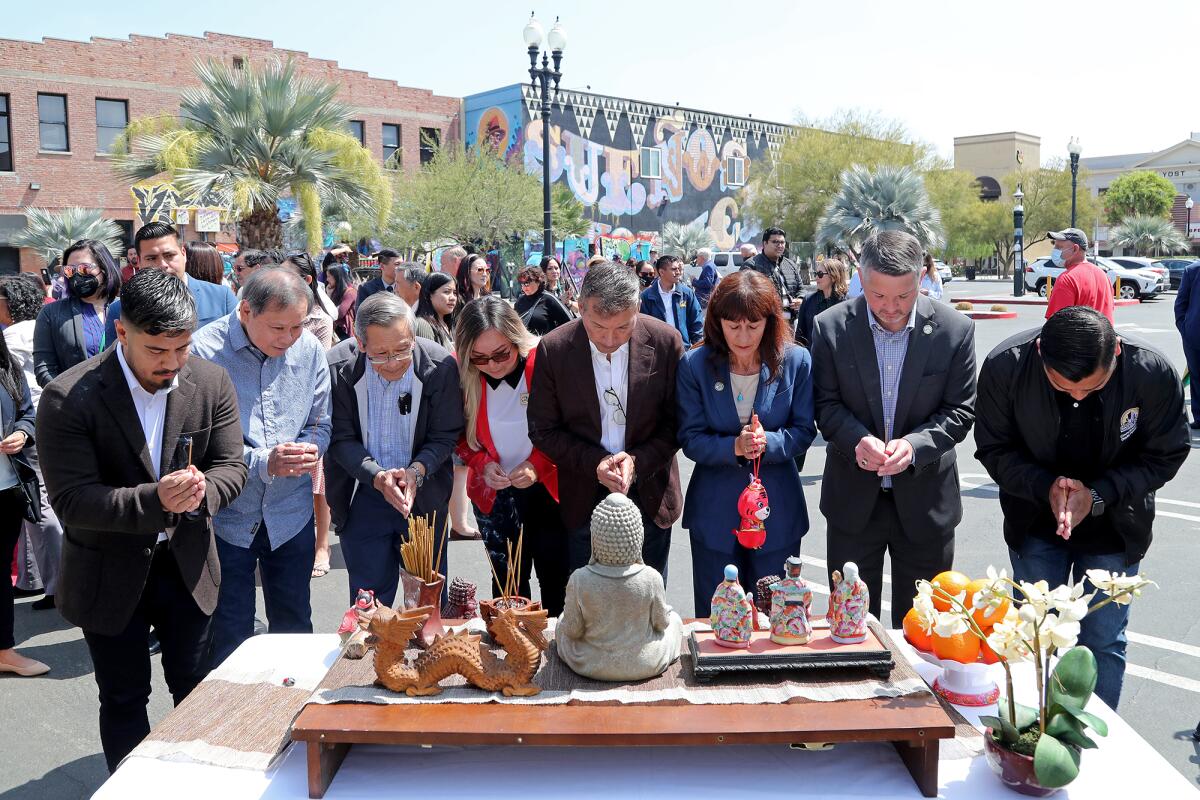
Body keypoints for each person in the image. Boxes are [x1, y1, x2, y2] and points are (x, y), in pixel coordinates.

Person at [36, 269, 246, 770]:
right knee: (125, 699)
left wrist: (200, 494)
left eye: (182, 348)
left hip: (189, 568)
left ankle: (197, 783)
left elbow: (231, 466)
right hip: (106, 575)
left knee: (196, 695)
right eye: (157, 351)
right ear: (122, 332)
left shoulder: (210, 380)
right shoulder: (69, 396)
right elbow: (72, 501)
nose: (172, 363)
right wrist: (157, 501)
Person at [974, 306, 1189, 709]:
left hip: (1117, 525)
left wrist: (1100, 494)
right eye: (1062, 387)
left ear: (1117, 354)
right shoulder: (1006, 366)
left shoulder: (1152, 372)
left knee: (1102, 640)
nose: (1077, 395)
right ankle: (1031, 730)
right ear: (1040, 353)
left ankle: (1099, 740)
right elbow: (994, 448)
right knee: (1035, 633)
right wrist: (1044, 487)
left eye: (1091, 388)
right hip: (1035, 521)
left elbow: (1166, 453)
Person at [810, 230, 977, 627]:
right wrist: (857, 439)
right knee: (850, 628)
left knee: (925, 629)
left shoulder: (955, 331)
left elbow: (961, 410)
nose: (890, 307)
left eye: (903, 296)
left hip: (926, 503)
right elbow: (824, 405)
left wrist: (916, 447)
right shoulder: (830, 327)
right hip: (853, 504)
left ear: (920, 278)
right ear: (861, 279)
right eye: (878, 295)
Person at [190, 267, 331, 667]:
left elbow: (321, 420)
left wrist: (310, 449)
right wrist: (263, 462)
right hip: (229, 517)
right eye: (277, 328)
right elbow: (199, 443)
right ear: (245, 311)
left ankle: (295, 722)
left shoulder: (309, 350)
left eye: (297, 327)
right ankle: (238, 725)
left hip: (291, 514)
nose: (288, 339)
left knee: (294, 629)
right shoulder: (203, 351)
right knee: (230, 636)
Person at [528, 261, 684, 577]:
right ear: (580, 307)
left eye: (624, 327)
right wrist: (595, 463)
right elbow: (543, 429)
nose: (610, 339)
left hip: (649, 492)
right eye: (598, 326)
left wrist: (637, 461)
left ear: (638, 308)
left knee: (648, 602)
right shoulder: (554, 350)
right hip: (584, 495)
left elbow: (677, 423)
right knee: (591, 607)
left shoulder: (666, 343)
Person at [677, 271, 816, 616]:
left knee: (775, 615)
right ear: (717, 321)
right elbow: (690, 438)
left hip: (776, 509)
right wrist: (733, 448)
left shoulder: (796, 361)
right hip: (715, 509)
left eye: (753, 326)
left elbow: (804, 430)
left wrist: (767, 441)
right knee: (718, 616)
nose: (743, 336)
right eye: (732, 325)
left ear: (770, 322)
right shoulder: (695, 365)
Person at [326, 293, 463, 606]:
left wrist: (416, 471)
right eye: (380, 354)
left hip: (423, 499)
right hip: (360, 497)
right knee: (369, 608)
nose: (393, 363)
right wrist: (376, 476)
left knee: (428, 605)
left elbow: (444, 435)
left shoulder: (439, 364)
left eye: (403, 349)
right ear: (360, 343)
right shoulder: (337, 367)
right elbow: (340, 439)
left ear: (413, 335)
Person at [455, 297, 567, 614]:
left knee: (556, 577)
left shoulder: (545, 362)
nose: (492, 365)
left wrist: (540, 466)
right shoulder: (462, 374)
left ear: (516, 338)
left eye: (501, 353)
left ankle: (558, 653)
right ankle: (513, 652)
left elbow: (570, 427)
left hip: (548, 489)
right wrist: (481, 463)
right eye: (480, 357)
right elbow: (456, 435)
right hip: (494, 494)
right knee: (508, 584)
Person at [0, 276, 63, 611]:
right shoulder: (41, 325)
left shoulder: (10, 337)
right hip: (40, 422)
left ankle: (56, 585)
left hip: (24, 428)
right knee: (30, 504)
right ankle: (32, 579)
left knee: (38, 504)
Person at [282, 253, 338, 578]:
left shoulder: (319, 319)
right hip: (279, 403)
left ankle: (322, 544)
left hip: (310, 406)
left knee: (317, 481)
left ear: (305, 282)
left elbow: (316, 367)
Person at [104, 222, 238, 346]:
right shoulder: (120, 309)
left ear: (183, 253)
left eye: (169, 255)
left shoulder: (221, 298)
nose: (162, 265)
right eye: (151, 258)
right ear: (139, 262)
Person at [0, 311, 42, 676]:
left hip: (8, 488)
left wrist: (24, 433)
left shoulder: (7, 366)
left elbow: (28, 411)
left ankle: (4, 651)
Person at [33, 238, 121, 386]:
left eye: (84, 268)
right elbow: (44, 370)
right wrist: (72, 399)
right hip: (74, 405)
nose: (77, 275)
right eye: (70, 270)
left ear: (104, 269)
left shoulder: (127, 308)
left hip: (124, 402)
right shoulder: (51, 313)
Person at [741, 227, 804, 337]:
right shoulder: (751, 265)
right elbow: (744, 294)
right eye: (775, 242)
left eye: (782, 242)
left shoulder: (790, 265)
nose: (780, 245)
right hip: (765, 325)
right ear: (765, 243)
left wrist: (800, 299)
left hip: (789, 324)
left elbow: (800, 288)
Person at [1044, 228, 1114, 322]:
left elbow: (1056, 325)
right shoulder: (1103, 275)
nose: (1055, 251)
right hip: (1105, 336)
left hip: (1076, 337)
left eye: (1059, 247)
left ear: (1075, 249)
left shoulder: (1067, 278)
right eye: (1055, 246)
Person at [639, 255, 703, 348]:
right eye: (674, 269)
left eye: (678, 269)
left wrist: (697, 346)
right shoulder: (646, 296)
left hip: (682, 349)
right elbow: (643, 327)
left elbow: (696, 320)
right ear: (661, 272)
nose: (678, 272)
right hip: (659, 351)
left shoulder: (686, 293)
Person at [796, 257, 849, 348]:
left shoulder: (847, 304)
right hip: (812, 357)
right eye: (816, 273)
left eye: (820, 274)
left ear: (834, 276)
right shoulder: (808, 300)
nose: (816, 278)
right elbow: (800, 335)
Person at [1174, 259, 1200, 429]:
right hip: (1195, 337)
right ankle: (1199, 417)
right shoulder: (1193, 270)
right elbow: (1180, 303)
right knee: (1197, 377)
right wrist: (1185, 328)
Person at [514, 265, 572, 336]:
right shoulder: (520, 301)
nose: (523, 287)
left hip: (545, 345)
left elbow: (570, 324)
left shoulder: (549, 299)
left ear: (538, 281)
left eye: (526, 283)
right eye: (521, 283)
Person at [413, 272, 458, 350]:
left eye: (454, 293)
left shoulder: (449, 324)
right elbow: (427, 360)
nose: (453, 297)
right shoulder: (423, 324)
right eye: (446, 292)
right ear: (429, 295)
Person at [324, 263, 358, 341]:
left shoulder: (350, 292)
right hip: (336, 332)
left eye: (329, 276)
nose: (327, 279)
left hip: (345, 334)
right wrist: (329, 294)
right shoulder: (334, 291)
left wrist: (329, 296)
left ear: (336, 277)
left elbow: (338, 314)